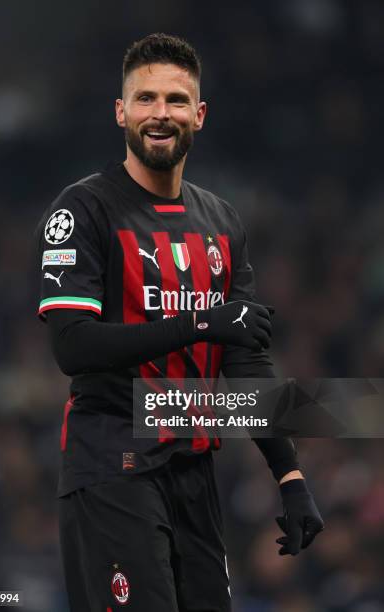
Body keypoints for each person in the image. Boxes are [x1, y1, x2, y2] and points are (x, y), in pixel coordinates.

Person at [36, 33, 323, 612]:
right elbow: (74, 346)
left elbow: (245, 357)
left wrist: (288, 475)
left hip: (194, 471)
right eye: (144, 99)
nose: (159, 114)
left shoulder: (221, 219)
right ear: (121, 112)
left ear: (200, 114)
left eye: (174, 99)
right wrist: (202, 322)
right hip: (113, 463)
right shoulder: (82, 210)